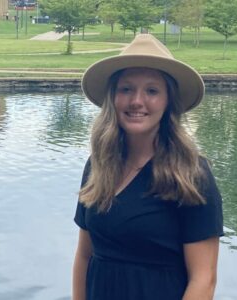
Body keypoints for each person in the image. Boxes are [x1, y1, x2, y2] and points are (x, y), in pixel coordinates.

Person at [72, 34, 223, 300]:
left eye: (152, 91)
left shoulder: (190, 174)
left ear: (168, 101)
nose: (137, 101)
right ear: (113, 97)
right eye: (126, 89)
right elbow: (85, 255)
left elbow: (204, 279)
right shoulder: (98, 165)